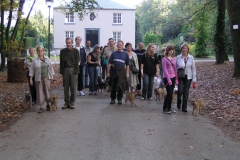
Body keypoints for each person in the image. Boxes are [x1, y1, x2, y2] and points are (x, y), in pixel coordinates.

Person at [29, 46, 55, 113]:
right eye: (38, 50)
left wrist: (52, 77)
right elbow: (32, 70)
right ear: (37, 52)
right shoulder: (35, 60)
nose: (40, 52)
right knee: (39, 92)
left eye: (41, 50)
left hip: (46, 78)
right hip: (38, 78)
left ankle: (48, 104)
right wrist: (31, 79)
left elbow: (51, 68)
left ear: (43, 51)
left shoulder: (47, 59)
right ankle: (41, 107)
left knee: (47, 91)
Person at [107, 40, 129, 105]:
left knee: (120, 85)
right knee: (113, 85)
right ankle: (112, 99)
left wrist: (127, 73)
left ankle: (119, 99)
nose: (119, 46)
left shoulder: (125, 54)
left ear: (122, 46)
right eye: (118, 44)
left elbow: (127, 64)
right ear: (116, 45)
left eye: (120, 45)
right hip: (114, 71)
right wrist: (108, 72)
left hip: (122, 71)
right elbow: (109, 63)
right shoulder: (113, 53)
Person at [60, 38, 80, 109]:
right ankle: (66, 102)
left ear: (72, 43)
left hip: (73, 69)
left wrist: (76, 71)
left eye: (69, 43)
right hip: (65, 69)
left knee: (73, 87)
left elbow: (78, 61)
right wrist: (62, 71)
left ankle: (72, 102)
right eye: (67, 43)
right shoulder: (62, 51)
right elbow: (61, 62)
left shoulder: (75, 51)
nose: (68, 44)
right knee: (66, 87)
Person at [176, 43, 196, 112]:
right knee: (180, 90)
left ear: (188, 49)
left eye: (186, 48)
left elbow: (193, 68)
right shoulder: (178, 57)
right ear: (181, 49)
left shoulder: (191, 57)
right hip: (180, 75)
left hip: (188, 76)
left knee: (186, 92)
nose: (184, 49)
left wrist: (194, 78)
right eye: (183, 48)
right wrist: (175, 76)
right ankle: (178, 102)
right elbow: (176, 67)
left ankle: (184, 107)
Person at [162, 44, 178, 114]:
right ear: (167, 50)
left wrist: (176, 79)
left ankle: (169, 107)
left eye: (172, 50)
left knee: (171, 94)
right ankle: (165, 107)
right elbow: (165, 70)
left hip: (173, 77)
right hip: (167, 78)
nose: (171, 51)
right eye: (170, 50)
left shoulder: (173, 59)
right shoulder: (164, 59)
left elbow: (175, 69)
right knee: (169, 93)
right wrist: (168, 79)